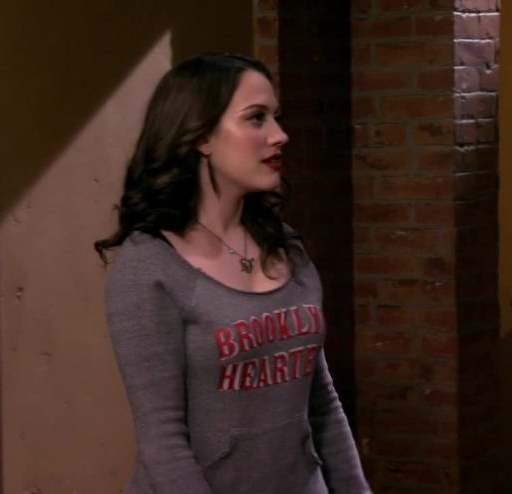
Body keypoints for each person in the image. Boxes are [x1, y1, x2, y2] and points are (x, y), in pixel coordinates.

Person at [96, 53, 371, 494]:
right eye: (256, 118)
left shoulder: (286, 246)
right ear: (202, 135)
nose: (279, 135)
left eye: (276, 118)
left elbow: (322, 404)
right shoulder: (150, 266)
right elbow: (163, 443)